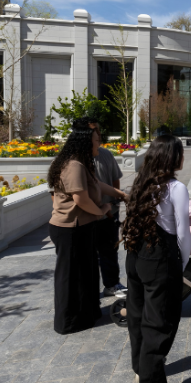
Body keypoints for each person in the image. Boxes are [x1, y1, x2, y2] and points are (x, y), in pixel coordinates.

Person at [121, 135, 191, 383]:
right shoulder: (176, 188)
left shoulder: (141, 182)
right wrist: (181, 264)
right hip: (161, 257)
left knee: (138, 315)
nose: (182, 158)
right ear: (172, 158)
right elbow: (183, 234)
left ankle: (142, 368)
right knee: (159, 323)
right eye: (180, 153)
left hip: (136, 253)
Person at [47, 118, 127, 334]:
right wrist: (102, 211)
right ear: (84, 142)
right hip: (70, 230)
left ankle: (89, 314)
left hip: (83, 227)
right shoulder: (72, 165)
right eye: (95, 139)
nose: (98, 143)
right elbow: (80, 199)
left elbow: (97, 185)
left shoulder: (83, 162)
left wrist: (120, 194)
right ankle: (69, 321)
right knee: (70, 277)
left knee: (87, 274)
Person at [86, 118, 127, 299]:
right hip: (88, 216)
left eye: (98, 133)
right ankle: (90, 289)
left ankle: (111, 284)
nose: (98, 137)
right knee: (89, 255)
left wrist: (116, 200)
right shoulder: (78, 160)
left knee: (110, 251)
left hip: (109, 214)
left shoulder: (106, 155)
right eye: (94, 134)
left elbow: (115, 180)